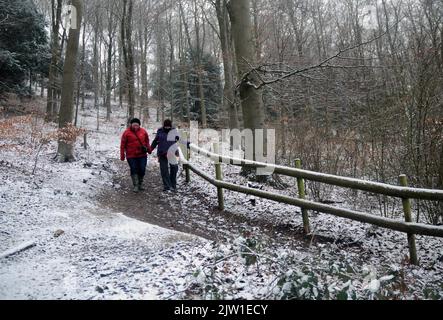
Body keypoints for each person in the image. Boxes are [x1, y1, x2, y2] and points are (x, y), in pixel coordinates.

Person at [120, 118, 152, 193]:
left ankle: (140, 183)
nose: (135, 126)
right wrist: (122, 155)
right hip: (131, 155)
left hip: (142, 154)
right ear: (131, 125)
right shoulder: (126, 133)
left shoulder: (143, 131)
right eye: (134, 125)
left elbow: (147, 141)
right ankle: (136, 185)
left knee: (142, 168)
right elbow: (122, 145)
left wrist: (149, 149)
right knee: (134, 168)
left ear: (139, 125)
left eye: (137, 125)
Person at [151, 119, 181, 192]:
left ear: (170, 126)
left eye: (169, 126)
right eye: (166, 126)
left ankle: (173, 185)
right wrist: (150, 149)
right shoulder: (160, 131)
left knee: (174, 168)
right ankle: (167, 186)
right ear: (164, 126)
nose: (167, 128)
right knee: (164, 170)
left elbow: (179, 139)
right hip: (162, 153)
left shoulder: (174, 131)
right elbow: (155, 141)